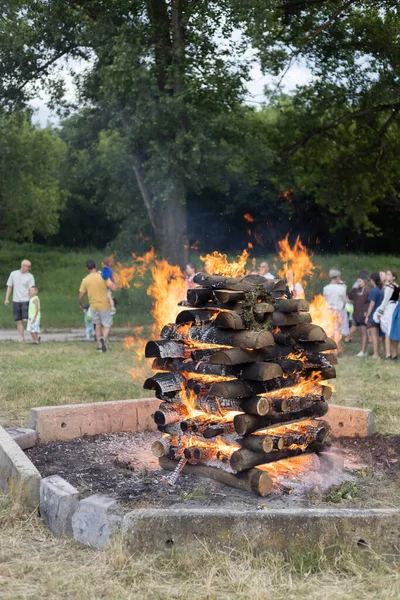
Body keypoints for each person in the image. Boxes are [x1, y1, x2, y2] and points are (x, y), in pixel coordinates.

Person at [79, 259, 116, 353]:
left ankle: (99, 346)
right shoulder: (103, 276)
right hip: (105, 305)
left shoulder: (85, 280)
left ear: (87, 268)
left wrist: (82, 304)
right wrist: (112, 277)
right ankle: (104, 338)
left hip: (93, 306)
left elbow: (81, 295)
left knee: (97, 325)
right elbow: (113, 288)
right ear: (95, 266)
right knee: (107, 325)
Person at [4, 259, 35, 343]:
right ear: (23, 266)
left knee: (26, 319)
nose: (29, 268)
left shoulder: (30, 276)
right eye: (28, 267)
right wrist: (7, 298)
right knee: (18, 321)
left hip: (26, 300)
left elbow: (32, 289)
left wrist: (33, 301)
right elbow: (9, 286)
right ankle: (21, 338)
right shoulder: (13, 274)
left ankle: (35, 334)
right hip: (16, 300)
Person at [375, 269, 399, 360]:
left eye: (389, 275)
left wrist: (380, 312)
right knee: (393, 330)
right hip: (395, 307)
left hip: (389, 309)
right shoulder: (397, 286)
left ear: (393, 277)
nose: (387, 276)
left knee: (387, 332)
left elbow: (385, 301)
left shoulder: (390, 287)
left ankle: (388, 354)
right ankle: (394, 354)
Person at [323, 268, 349, 349]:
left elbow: (324, 299)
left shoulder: (326, 288)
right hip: (338, 311)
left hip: (329, 311)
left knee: (330, 329)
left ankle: (330, 348)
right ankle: (337, 348)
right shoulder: (342, 288)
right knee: (338, 330)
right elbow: (344, 300)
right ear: (337, 277)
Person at [347, 273, 370, 356]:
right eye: (357, 281)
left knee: (364, 332)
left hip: (363, 314)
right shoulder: (357, 290)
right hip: (357, 314)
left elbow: (370, 302)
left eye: (360, 281)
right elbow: (350, 297)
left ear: (364, 281)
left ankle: (363, 351)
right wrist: (354, 289)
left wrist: (367, 311)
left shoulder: (368, 290)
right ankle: (363, 350)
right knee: (361, 332)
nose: (359, 283)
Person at [365, 273, 384, 359]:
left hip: (373, 315)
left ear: (372, 280)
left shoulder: (374, 290)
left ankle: (376, 354)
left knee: (374, 335)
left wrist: (367, 316)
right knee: (379, 335)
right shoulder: (381, 290)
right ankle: (380, 352)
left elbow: (371, 304)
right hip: (380, 315)